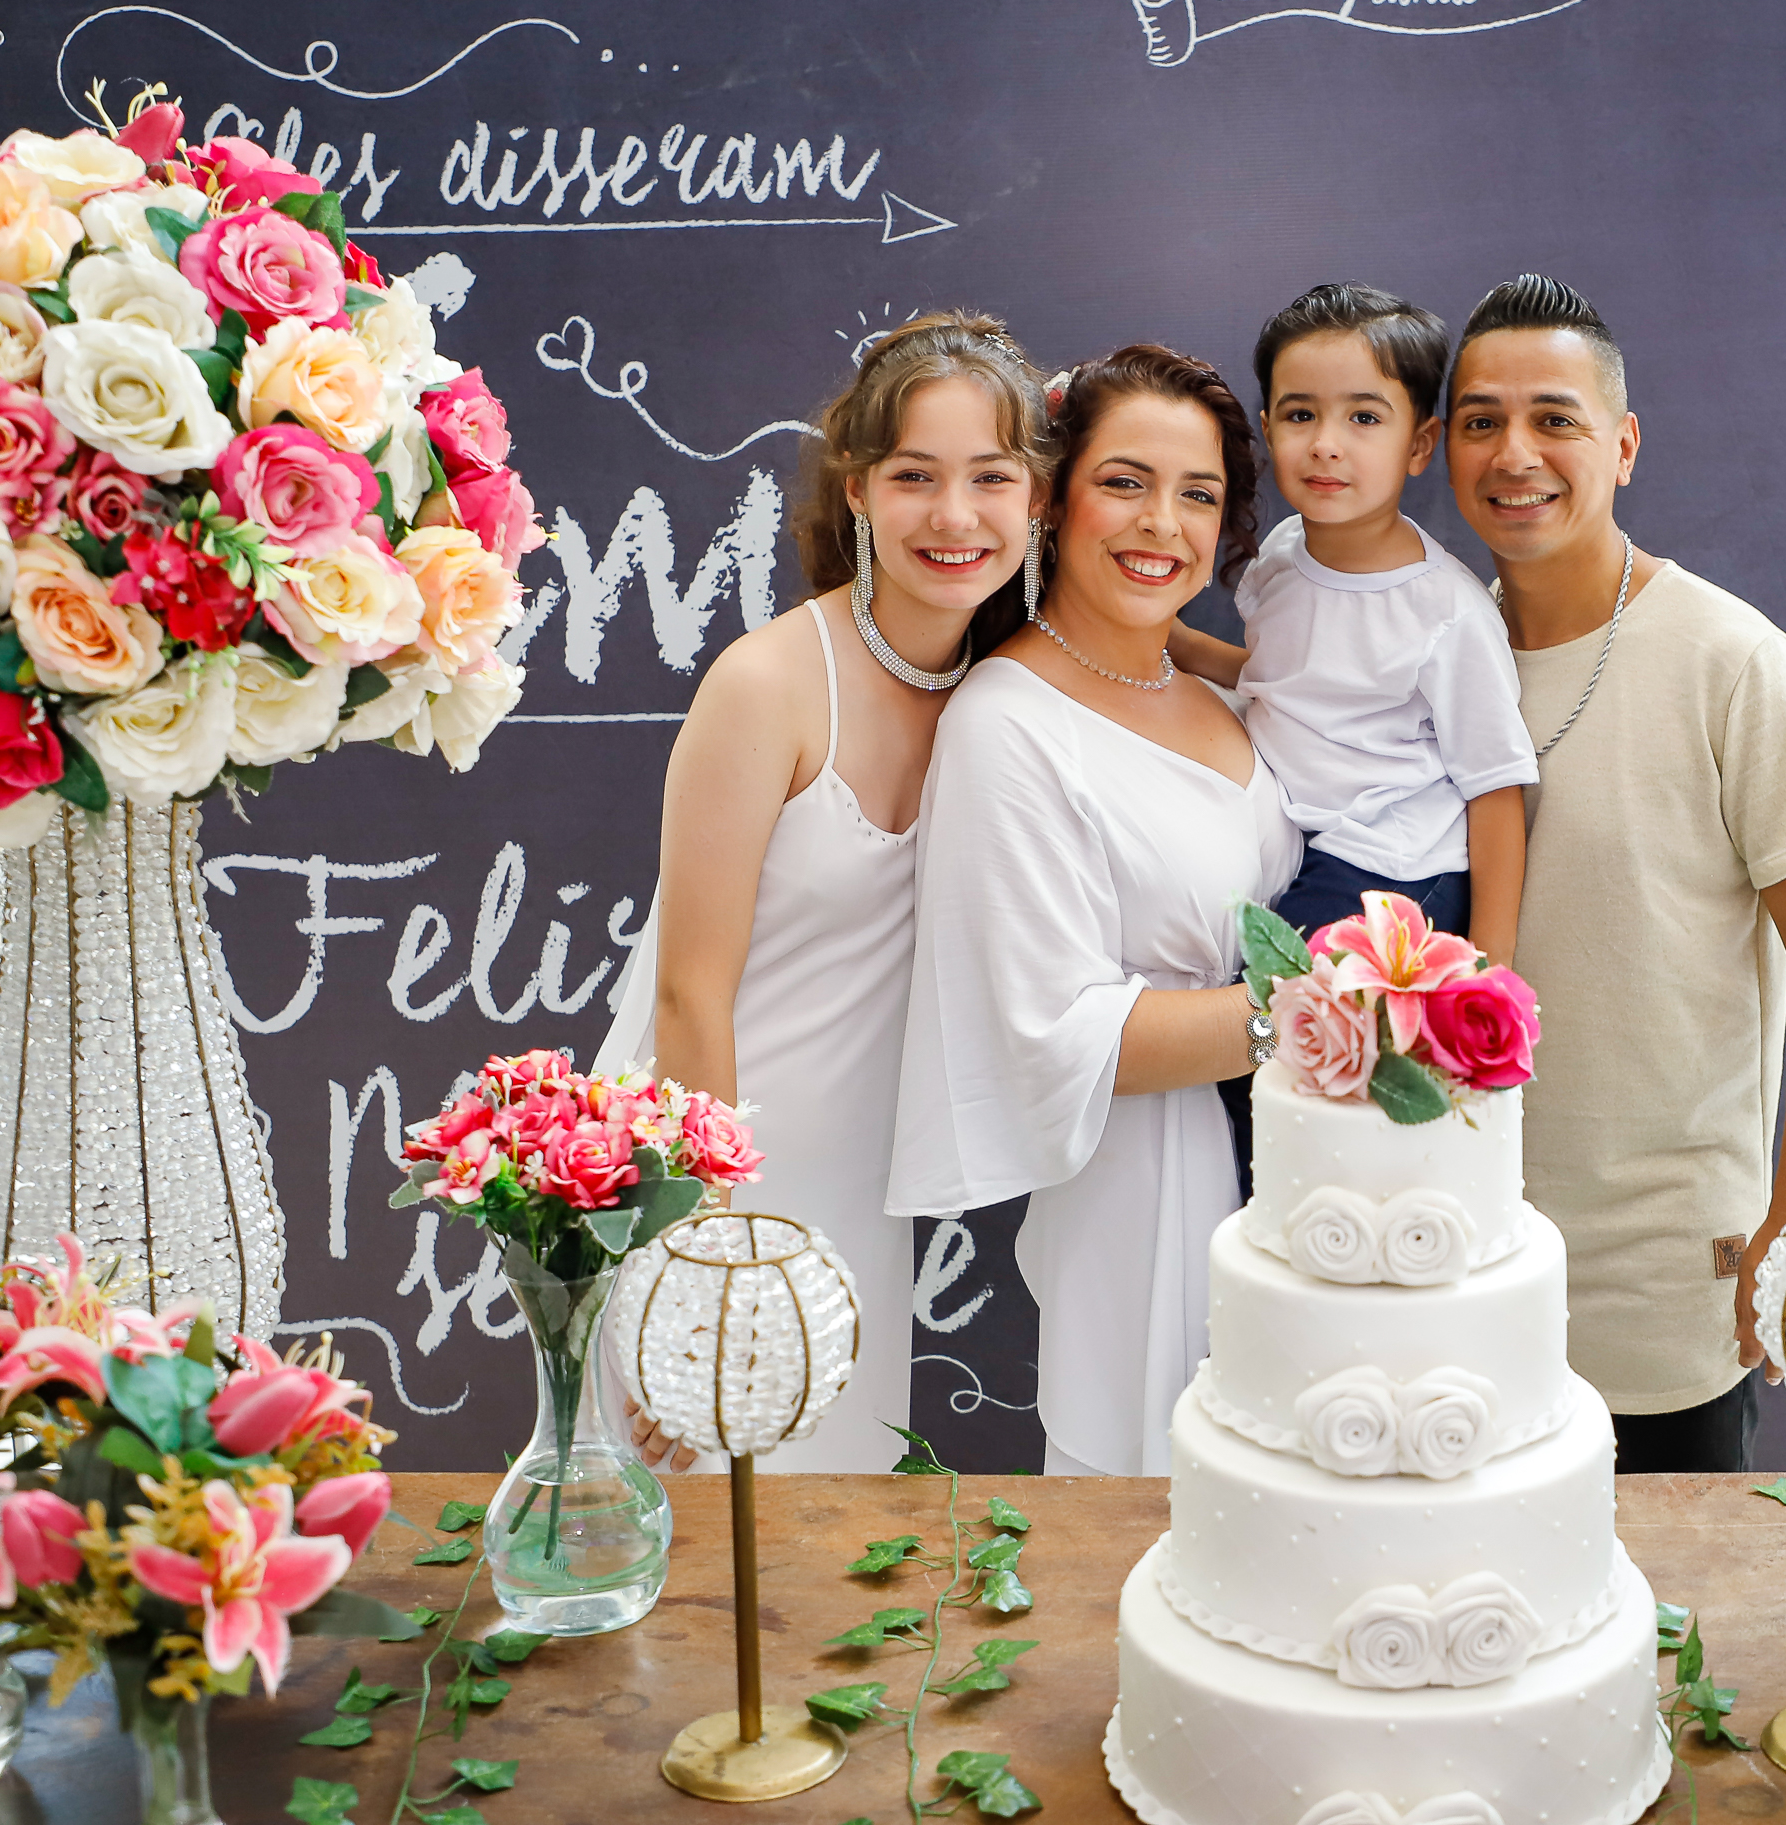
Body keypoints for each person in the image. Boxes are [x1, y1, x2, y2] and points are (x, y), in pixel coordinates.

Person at [600, 312, 1050, 1473]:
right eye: (916, 477)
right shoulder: (768, 685)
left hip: (857, 1201)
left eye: (991, 477)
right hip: (701, 1186)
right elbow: (689, 997)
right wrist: (709, 1276)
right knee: (684, 1577)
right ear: (856, 489)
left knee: (818, 1566)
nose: (956, 517)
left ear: (1038, 499)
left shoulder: (1005, 690)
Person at [1447, 273, 1786, 1474]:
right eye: (1481, 420)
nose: (1514, 452)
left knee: (1667, 1641)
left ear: (1622, 444)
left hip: (1667, 1295)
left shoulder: (1729, 657)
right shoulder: (1440, 652)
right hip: (1454, 1277)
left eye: (1555, 418)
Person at [887, 344, 1301, 1477]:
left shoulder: (1221, 690)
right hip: (1149, 1190)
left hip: (1300, 1169)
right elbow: (1055, 1030)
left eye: (1199, 494)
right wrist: (1327, 1011)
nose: (1160, 523)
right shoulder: (1006, 723)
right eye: (1125, 481)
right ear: (1053, 497)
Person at [1177, 283, 1533, 961]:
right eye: (1300, 415)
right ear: (1267, 426)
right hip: (1297, 842)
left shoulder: (1446, 612)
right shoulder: (1282, 554)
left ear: (1420, 443)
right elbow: (1281, 681)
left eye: (1364, 419)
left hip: (1395, 870)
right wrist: (1185, 646)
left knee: (1259, 1029)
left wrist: (1489, 967)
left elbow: (1495, 790)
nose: (1326, 445)